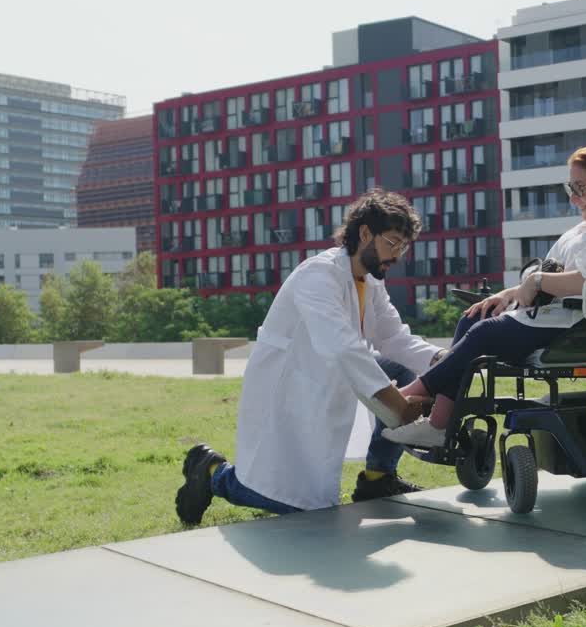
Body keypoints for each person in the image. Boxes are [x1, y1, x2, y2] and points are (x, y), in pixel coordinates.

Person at [175, 189, 445, 524]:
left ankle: (378, 479)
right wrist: (399, 408)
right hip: (293, 383)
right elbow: (343, 347)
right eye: (392, 243)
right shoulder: (318, 275)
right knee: (297, 505)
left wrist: (444, 361)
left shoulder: (369, 282)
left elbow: (393, 338)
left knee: (407, 369)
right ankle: (213, 472)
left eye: (403, 247)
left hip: (331, 374)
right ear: (364, 233)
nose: (398, 254)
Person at [383, 143, 586, 448]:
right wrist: (508, 295)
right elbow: (543, 278)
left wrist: (537, 282)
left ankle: (406, 397)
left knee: (486, 332)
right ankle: (440, 425)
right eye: (570, 187)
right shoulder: (582, 231)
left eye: (580, 187)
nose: (573, 197)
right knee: (476, 316)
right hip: (565, 318)